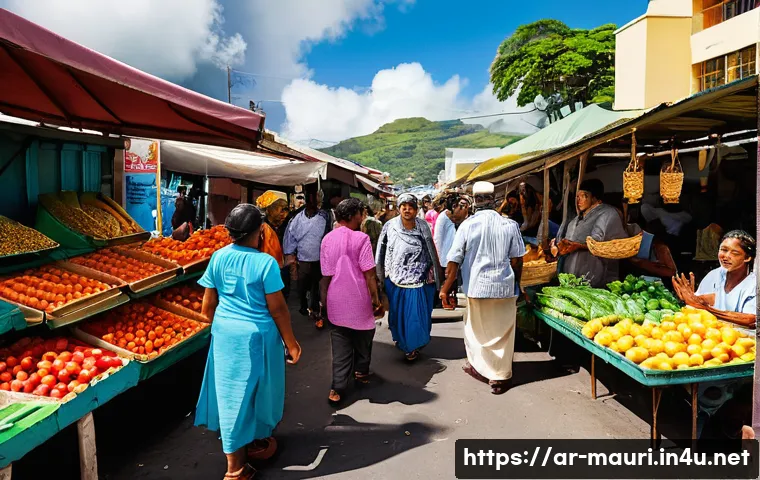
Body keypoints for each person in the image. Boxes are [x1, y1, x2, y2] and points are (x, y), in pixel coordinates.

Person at [195, 204, 301, 480]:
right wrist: (292, 344)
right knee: (251, 394)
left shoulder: (217, 257)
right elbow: (278, 309)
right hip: (257, 338)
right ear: (260, 232)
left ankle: (251, 443)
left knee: (233, 394)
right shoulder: (264, 262)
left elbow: (208, 306)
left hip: (225, 335)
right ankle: (235, 469)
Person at [439, 182, 525, 395]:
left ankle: (480, 368)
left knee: (476, 331)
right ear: (495, 200)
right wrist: (517, 284)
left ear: (474, 202)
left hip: (477, 287)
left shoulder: (468, 225)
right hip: (504, 287)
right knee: (503, 333)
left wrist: (445, 289)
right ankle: (500, 376)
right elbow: (517, 260)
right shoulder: (510, 225)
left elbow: (454, 261)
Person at [320, 199, 383, 404]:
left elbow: (326, 276)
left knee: (340, 343)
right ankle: (361, 371)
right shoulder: (361, 238)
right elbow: (370, 274)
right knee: (364, 336)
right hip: (359, 299)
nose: (361, 217)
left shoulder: (327, 239)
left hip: (335, 299)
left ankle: (337, 388)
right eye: (359, 213)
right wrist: (376, 299)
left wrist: (323, 302)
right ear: (351, 216)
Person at [376, 194, 441, 361]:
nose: (407, 209)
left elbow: (431, 251)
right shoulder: (390, 226)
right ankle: (403, 340)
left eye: (411, 206)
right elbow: (381, 251)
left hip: (419, 278)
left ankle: (411, 347)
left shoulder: (423, 226)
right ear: (399, 208)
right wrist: (379, 276)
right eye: (403, 206)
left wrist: (438, 278)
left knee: (415, 316)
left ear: (416, 209)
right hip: (395, 278)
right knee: (397, 315)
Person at [552, 179, 627, 288]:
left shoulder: (607, 213)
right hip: (571, 284)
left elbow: (597, 242)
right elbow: (567, 244)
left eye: (584, 196)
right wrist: (557, 248)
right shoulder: (575, 221)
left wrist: (577, 246)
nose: (579, 200)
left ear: (595, 198)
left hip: (597, 284)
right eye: (577, 196)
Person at [672, 230, 756, 327]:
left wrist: (706, 308)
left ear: (747, 258)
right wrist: (689, 298)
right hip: (712, 334)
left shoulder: (754, 284)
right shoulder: (714, 275)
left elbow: (751, 319)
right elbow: (710, 298)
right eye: (723, 250)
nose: (726, 256)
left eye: (735, 253)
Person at [283, 185, 332, 329]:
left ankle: (315, 309)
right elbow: (290, 237)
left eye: (315, 198)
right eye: (309, 198)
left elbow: (328, 236)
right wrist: (290, 254)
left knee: (316, 285)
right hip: (303, 259)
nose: (312, 201)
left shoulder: (325, 216)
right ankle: (304, 306)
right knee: (302, 285)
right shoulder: (297, 218)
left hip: (319, 259)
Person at [256, 191, 289, 268]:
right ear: (268, 209)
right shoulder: (261, 226)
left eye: (286, 210)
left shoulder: (288, 224)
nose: (284, 214)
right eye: (281, 209)